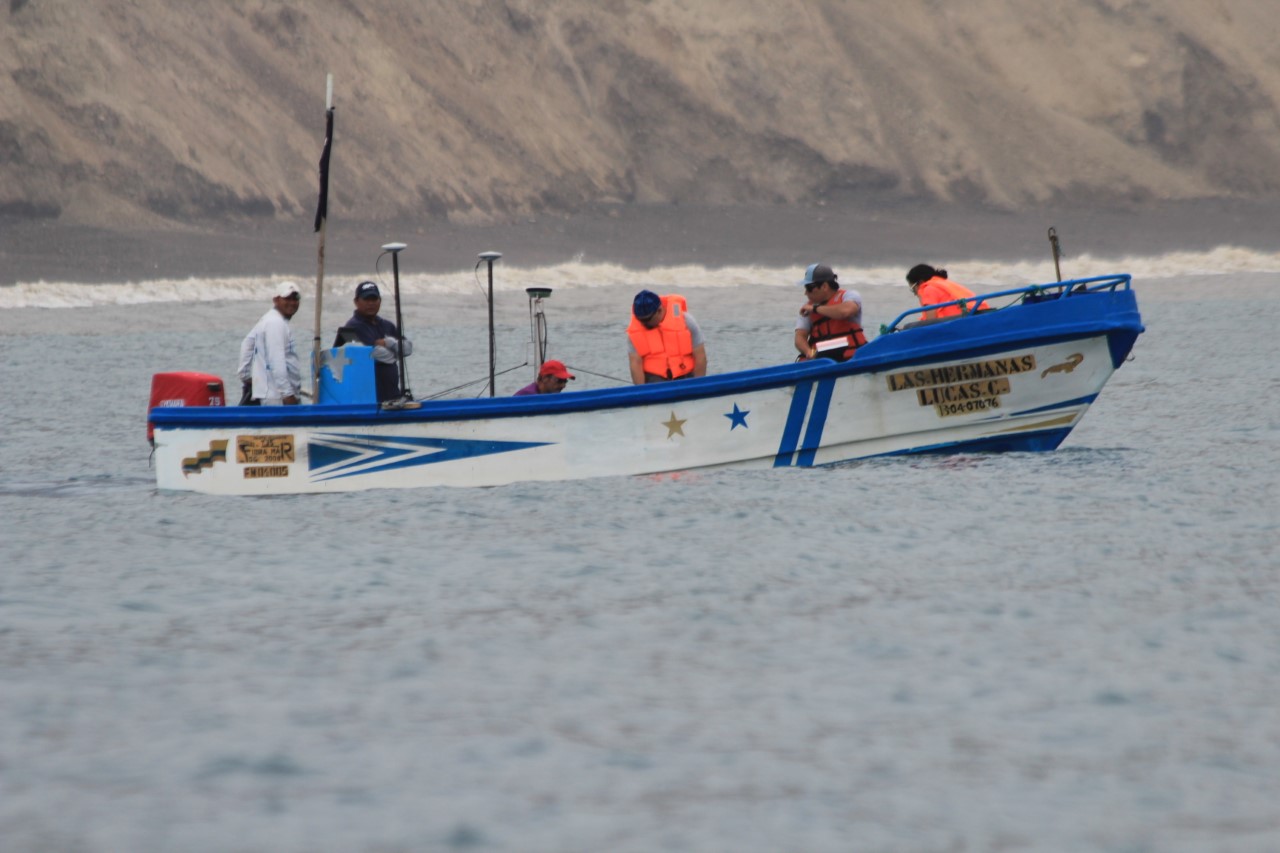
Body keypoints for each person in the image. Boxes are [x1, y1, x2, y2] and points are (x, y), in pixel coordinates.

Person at [333, 280, 414, 402]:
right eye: (366, 299)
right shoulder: (351, 328)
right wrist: (397, 352)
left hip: (392, 397)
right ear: (356, 301)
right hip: (366, 399)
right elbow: (375, 355)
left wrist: (389, 343)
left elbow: (408, 349)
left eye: (374, 299)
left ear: (380, 301)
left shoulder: (387, 325)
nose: (370, 303)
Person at [239, 281, 302, 405]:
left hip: (268, 394)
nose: (292, 303)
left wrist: (245, 375)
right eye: (287, 298)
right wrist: (287, 394)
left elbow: (247, 344)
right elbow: (276, 361)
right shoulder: (276, 323)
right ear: (276, 300)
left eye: (296, 299)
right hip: (278, 397)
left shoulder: (267, 319)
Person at [627, 289, 707, 384]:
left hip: (686, 375)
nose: (643, 323)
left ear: (659, 310)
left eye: (647, 319)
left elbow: (700, 356)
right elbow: (635, 364)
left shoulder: (687, 321)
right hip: (654, 379)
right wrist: (641, 392)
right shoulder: (635, 332)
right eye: (640, 320)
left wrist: (698, 386)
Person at [794, 263, 866, 362]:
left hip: (852, 359)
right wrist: (809, 352)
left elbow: (845, 312)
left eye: (809, 288)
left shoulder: (849, 296)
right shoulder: (807, 308)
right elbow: (800, 337)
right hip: (822, 361)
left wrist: (815, 309)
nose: (805, 293)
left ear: (824, 286)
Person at [905, 264, 990, 322]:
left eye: (913, 289)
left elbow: (930, 320)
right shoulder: (944, 283)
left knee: (910, 326)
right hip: (976, 314)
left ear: (920, 282)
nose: (915, 294)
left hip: (957, 321)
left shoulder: (928, 289)